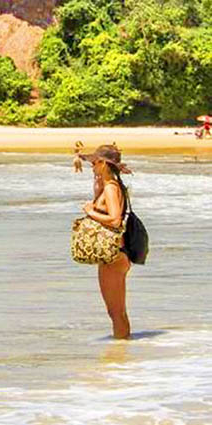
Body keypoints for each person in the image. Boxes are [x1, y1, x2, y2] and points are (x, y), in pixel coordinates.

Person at [79, 144, 133, 339]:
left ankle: (120, 353)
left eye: (94, 163)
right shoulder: (109, 185)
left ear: (102, 163)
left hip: (113, 257)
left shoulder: (111, 188)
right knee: (117, 311)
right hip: (117, 254)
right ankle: (123, 349)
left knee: (115, 312)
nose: (91, 167)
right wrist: (97, 185)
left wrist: (90, 211)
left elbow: (115, 219)